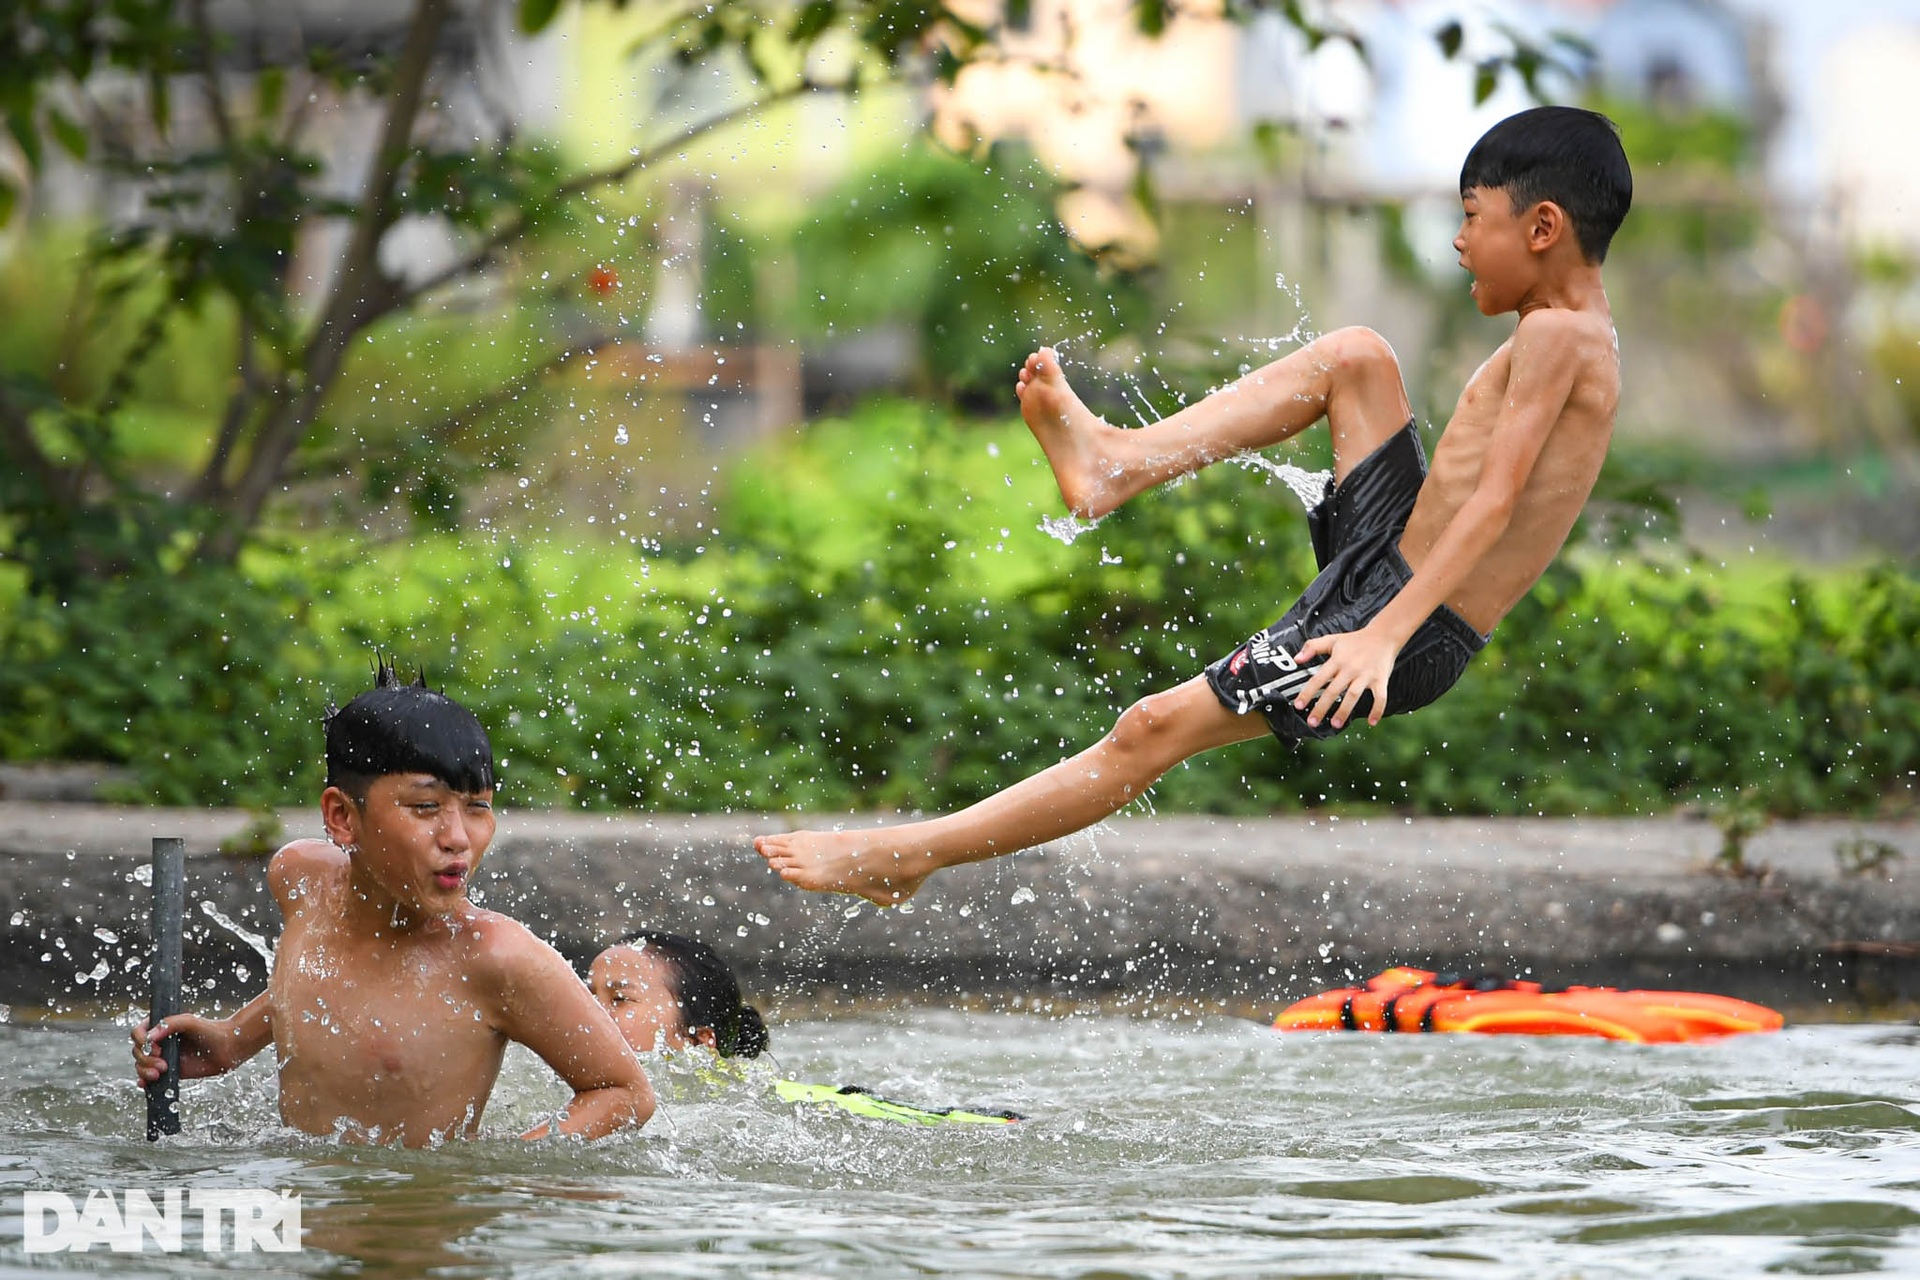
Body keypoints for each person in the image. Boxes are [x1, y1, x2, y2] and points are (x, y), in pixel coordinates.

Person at [755, 105, 1631, 906]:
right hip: (1394, 558)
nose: (1457, 242)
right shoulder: (1566, 330)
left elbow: (1493, 506)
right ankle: (1118, 465)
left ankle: (913, 857)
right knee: (1356, 357)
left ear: (1543, 226)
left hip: (1402, 620)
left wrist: (1381, 637)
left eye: (1472, 218)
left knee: (1152, 728)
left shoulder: (1559, 336)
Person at [133, 663, 655, 1146]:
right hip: (307, 1217)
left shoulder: (495, 957)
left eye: (478, 808)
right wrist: (232, 1041)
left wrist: (500, 1175)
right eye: (425, 807)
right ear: (341, 817)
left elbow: (625, 1092)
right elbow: (332, 979)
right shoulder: (302, 880)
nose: (457, 838)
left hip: (419, 1227)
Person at [588, 932, 1020, 1125]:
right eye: (588, 997)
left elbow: (959, 1124)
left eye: (620, 999)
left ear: (702, 1041)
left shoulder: (776, 1107)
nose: (592, 1013)